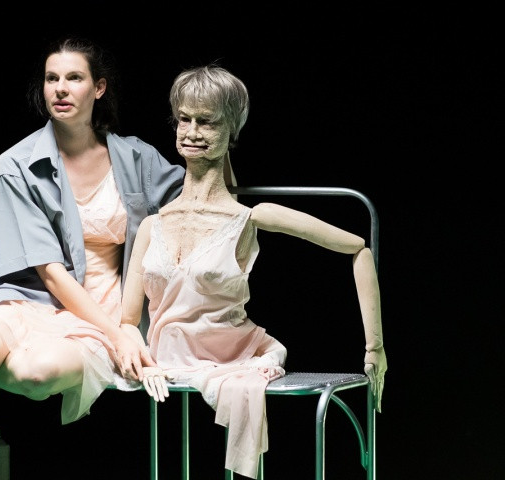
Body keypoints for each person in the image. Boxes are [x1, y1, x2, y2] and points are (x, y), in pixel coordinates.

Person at [0, 36, 191, 424]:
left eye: (74, 78)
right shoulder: (16, 164)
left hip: (104, 309)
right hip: (31, 298)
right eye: (52, 79)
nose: (60, 89)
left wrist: (219, 131)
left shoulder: (136, 157)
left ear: (99, 88)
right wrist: (119, 335)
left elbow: (197, 197)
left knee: (34, 375)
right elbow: (50, 273)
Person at [121, 65, 387, 479]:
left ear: (231, 129)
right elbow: (127, 320)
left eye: (207, 121)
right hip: (165, 361)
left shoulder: (249, 218)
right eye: (184, 119)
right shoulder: (153, 225)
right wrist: (140, 359)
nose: (191, 132)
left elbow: (357, 248)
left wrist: (375, 349)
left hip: (234, 356)